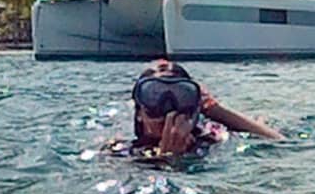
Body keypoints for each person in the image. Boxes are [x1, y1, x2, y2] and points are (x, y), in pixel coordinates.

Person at [107, 59, 284, 159]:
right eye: (153, 95)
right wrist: (168, 158)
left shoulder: (213, 140)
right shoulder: (120, 151)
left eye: (182, 96)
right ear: (139, 112)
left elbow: (279, 142)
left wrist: (215, 109)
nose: (168, 111)